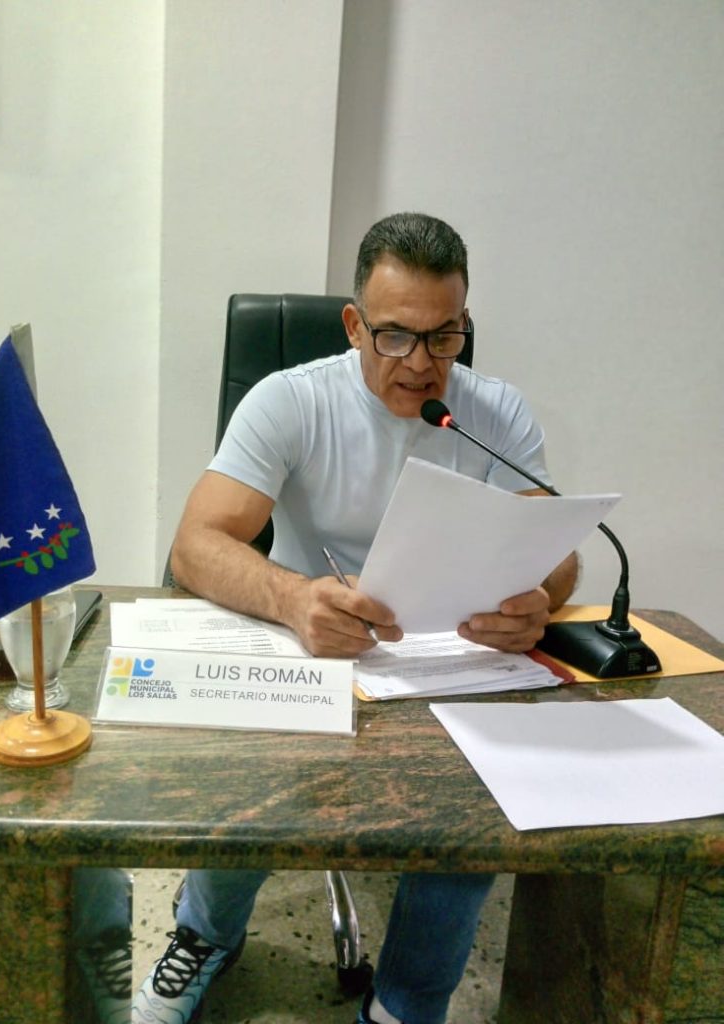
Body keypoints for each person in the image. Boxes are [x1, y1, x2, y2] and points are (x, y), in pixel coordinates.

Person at [133, 212, 578, 1024]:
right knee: (251, 769)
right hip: (316, 652)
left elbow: (558, 550)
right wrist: (291, 598)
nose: (422, 364)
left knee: (477, 806)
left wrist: (537, 596)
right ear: (354, 325)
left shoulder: (495, 412)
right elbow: (195, 545)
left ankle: (406, 1002)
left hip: (447, 660)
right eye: (396, 336)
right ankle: (205, 936)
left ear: (464, 323)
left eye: (444, 337)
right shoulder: (291, 400)